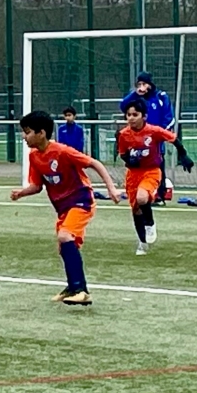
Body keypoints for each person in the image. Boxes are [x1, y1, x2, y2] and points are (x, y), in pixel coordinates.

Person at [9, 110, 120, 306]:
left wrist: (111, 189)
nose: (24, 137)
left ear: (41, 133)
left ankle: (81, 291)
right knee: (64, 247)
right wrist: (21, 193)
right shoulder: (34, 156)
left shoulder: (62, 151)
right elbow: (37, 186)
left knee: (65, 236)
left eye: (27, 132)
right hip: (63, 207)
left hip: (81, 200)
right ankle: (73, 287)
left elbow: (95, 163)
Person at [115, 99, 178, 255]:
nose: (131, 118)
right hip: (133, 175)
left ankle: (150, 224)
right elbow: (123, 153)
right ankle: (142, 242)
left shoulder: (153, 131)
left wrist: (183, 155)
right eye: (128, 115)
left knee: (142, 198)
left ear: (144, 116)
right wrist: (130, 160)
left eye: (135, 114)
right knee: (136, 209)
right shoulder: (123, 134)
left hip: (151, 171)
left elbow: (173, 138)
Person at [120, 72, 192, 201]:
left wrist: (161, 134)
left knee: (157, 163)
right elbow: (123, 106)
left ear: (150, 84)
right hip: (138, 140)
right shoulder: (136, 98)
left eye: (144, 83)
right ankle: (139, 190)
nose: (141, 87)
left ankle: (159, 193)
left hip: (155, 139)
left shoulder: (160, 97)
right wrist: (135, 93)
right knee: (138, 163)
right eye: (139, 84)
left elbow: (169, 117)